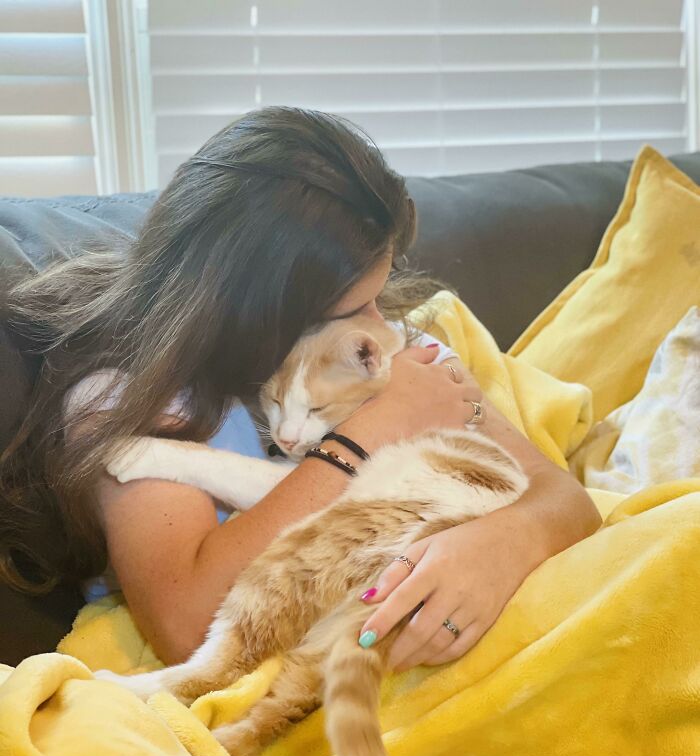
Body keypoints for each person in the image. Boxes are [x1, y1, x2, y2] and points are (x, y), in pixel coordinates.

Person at [0, 107, 600, 669]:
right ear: (255, 309)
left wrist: (504, 541)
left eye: (378, 296)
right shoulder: (139, 396)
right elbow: (185, 625)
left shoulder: (376, 351)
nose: (378, 325)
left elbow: (563, 498)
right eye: (352, 306)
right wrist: (371, 433)